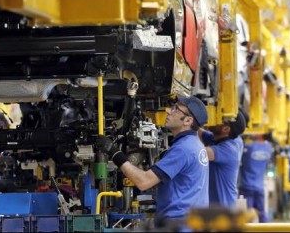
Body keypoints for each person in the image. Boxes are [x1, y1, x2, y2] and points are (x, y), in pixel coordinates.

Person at [97, 96, 209, 227]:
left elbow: (144, 182)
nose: (168, 110)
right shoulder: (194, 144)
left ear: (188, 120)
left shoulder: (184, 149)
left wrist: (114, 152)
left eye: (176, 109)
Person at [198, 109, 246, 206]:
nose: (213, 118)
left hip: (224, 210)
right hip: (213, 207)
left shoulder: (229, 149)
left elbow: (196, 152)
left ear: (226, 129)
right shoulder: (215, 138)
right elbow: (197, 131)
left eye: (219, 119)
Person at [239, 134, 274, 222]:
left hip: (246, 186)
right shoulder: (268, 148)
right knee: (262, 214)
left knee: (247, 217)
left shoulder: (248, 148)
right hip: (260, 186)